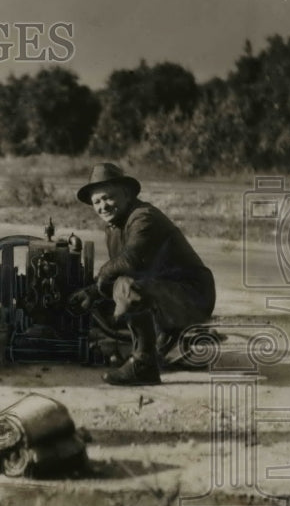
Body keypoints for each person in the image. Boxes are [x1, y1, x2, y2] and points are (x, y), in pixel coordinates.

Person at [68, 163, 216, 386]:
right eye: (97, 202)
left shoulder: (143, 217)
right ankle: (167, 342)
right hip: (170, 291)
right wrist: (91, 293)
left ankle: (143, 365)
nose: (102, 206)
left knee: (125, 287)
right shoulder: (115, 226)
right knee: (115, 292)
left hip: (193, 295)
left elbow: (129, 263)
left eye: (108, 198)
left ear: (126, 194)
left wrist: (98, 284)